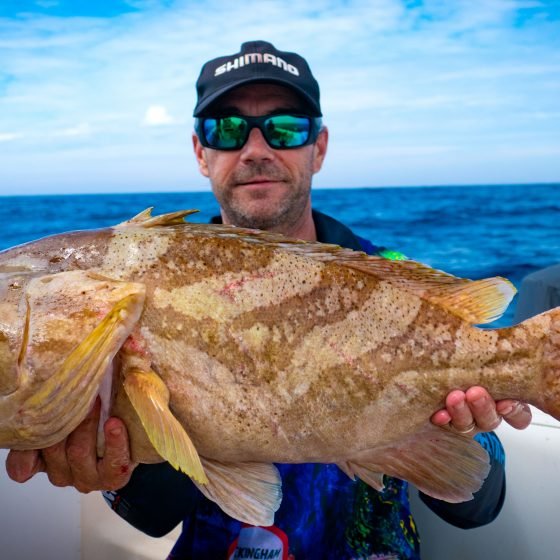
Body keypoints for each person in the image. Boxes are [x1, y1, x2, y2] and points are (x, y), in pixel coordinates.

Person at [6, 41, 532, 559]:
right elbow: (152, 518)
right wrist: (118, 463)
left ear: (318, 147)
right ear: (200, 151)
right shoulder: (145, 290)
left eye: (285, 127)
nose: (256, 149)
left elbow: (478, 504)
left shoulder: (394, 281)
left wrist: (475, 423)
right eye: (228, 129)